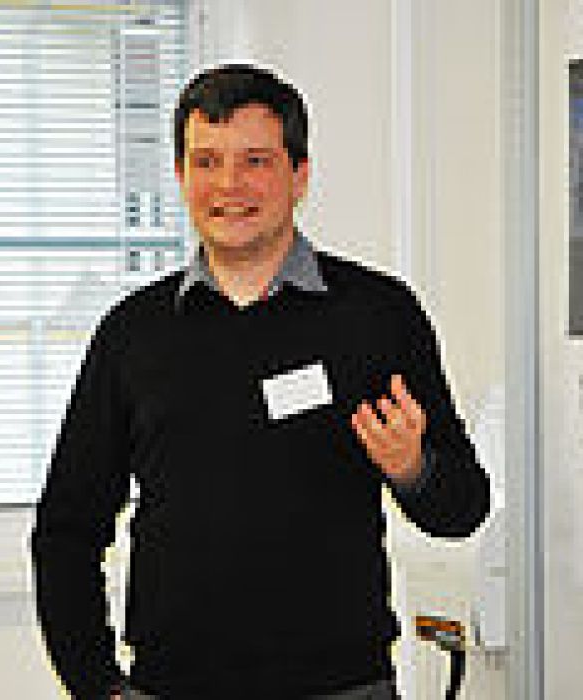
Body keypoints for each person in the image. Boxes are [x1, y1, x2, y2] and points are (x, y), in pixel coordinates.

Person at [30, 63, 491, 700]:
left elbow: (463, 509)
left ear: (299, 175)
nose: (229, 185)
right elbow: (67, 529)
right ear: (180, 176)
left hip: (343, 687)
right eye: (207, 162)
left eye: (255, 161)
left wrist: (412, 469)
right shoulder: (132, 334)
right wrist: (94, 684)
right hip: (174, 686)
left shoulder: (377, 316)